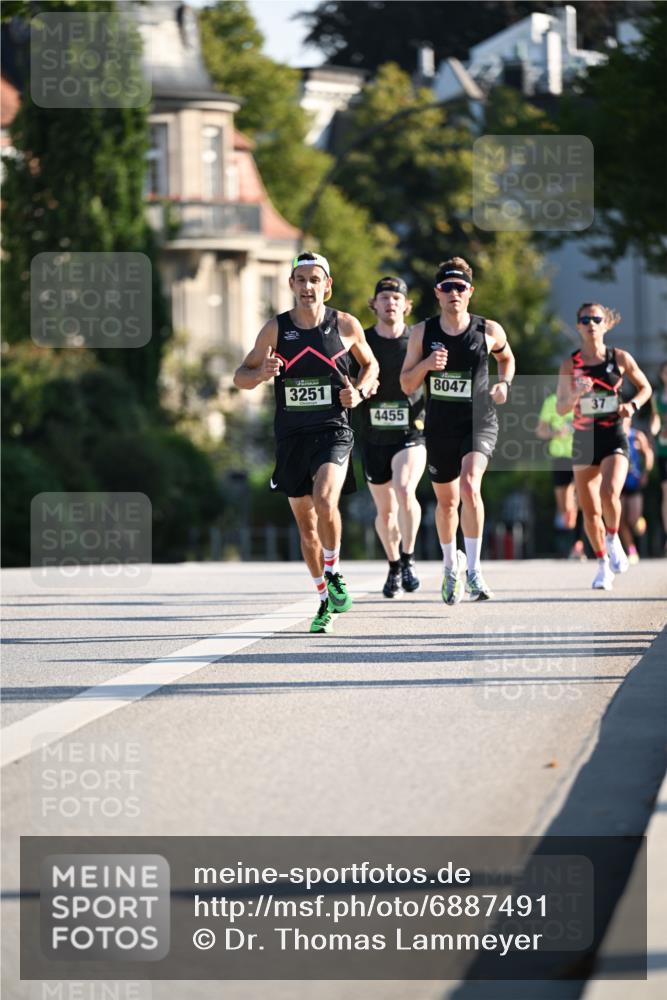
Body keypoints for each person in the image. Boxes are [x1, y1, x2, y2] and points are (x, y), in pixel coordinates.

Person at [233, 251, 379, 633]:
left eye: (315, 280)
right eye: (301, 280)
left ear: (327, 286)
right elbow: (240, 376)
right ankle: (322, 599)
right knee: (306, 525)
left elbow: (372, 365)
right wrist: (261, 373)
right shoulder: (276, 330)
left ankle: (333, 573)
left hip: (334, 429)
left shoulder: (345, 325)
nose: (308, 286)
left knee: (325, 499)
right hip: (291, 436)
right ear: (291, 285)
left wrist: (360, 393)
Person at [400, 257, 515, 603]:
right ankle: (452, 565)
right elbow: (406, 383)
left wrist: (505, 384)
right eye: (447, 287)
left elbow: (507, 359)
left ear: (470, 292)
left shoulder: (488, 331)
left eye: (460, 287)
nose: (454, 293)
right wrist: (425, 365)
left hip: (479, 421)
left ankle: (476, 570)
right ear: (438, 293)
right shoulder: (422, 332)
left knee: (469, 484)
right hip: (439, 426)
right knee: (447, 503)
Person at [556, 303, 652, 590]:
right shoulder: (569, 364)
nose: (590, 324)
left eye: (596, 319)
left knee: (610, 492)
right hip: (584, 440)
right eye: (584, 319)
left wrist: (631, 405)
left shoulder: (619, 357)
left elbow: (645, 387)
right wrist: (575, 393)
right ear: (578, 326)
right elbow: (561, 408)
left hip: (613, 435)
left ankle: (613, 539)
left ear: (605, 324)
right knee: (589, 510)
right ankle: (601, 565)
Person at [353, 277, 426, 598]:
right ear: (375, 304)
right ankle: (394, 564)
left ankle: (408, 559)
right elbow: (347, 374)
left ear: (406, 305)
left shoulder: (418, 339)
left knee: (405, 489)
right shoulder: (363, 341)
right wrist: (360, 387)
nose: (390, 302)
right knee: (385, 512)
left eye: (396, 297)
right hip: (373, 435)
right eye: (384, 297)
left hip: (412, 431)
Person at [536, 392, 585, 559]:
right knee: (564, 506)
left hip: (581, 455)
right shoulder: (551, 401)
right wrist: (555, 433)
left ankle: (578, 544)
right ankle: (573, 536)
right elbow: (540, 430)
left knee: (582, 501)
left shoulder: (584, 398)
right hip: (560, 457)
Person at [619, 415, 654, 563]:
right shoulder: (614, 437)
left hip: (634, 481)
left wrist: (646, 473)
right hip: (619, 483)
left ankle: (640, 522)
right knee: (620, 520)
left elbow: (648, 454)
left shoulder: (636, 436)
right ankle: (631, 549)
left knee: (633, 520)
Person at [649, 361, 667, 553]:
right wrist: (655, 431)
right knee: (666, 492)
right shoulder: (657, 397)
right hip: (663, 450)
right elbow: (655, 419)